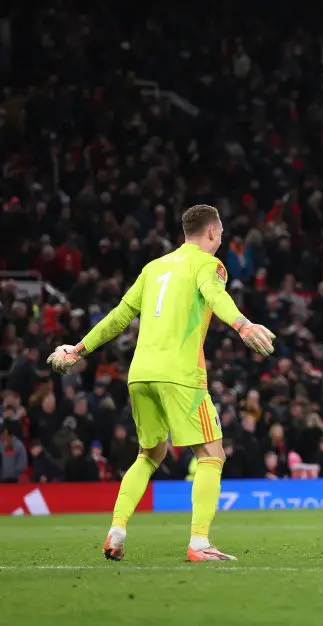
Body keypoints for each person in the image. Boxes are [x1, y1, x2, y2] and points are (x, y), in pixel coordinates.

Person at [45, 204, 276, 561]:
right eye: (222, 233)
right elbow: (216, 296)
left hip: (140, 375)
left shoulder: (153, 268)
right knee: (212, 454)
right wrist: (243, 324)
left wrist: (78, 349)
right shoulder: (208, 265)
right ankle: (200, 543)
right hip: (181, 375)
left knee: (150, 454)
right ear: (212, 232)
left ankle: (116, 531)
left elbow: (119, 316)